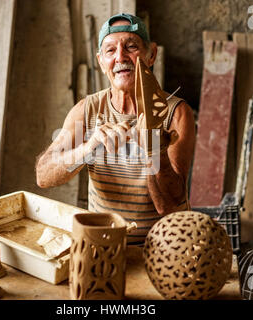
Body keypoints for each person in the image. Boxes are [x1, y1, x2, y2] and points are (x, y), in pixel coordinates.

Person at [36, 13, 196, 245]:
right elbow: (43, 176)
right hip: (105, 247)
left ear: (151, 54)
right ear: (101, 62)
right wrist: (87, 148)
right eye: (110, 51)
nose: (121, 57)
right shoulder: (87, 110)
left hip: (165, 253)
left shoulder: (176, 113)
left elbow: (169, 206)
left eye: (131, 47)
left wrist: (153, 148)